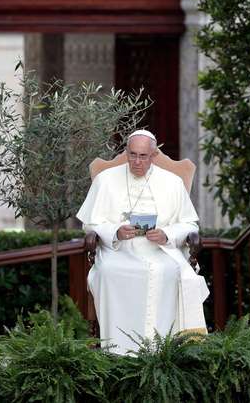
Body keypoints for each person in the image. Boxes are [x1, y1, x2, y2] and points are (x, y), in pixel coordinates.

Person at [76, 130, 208, 355]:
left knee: (168, 272)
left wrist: (167, 234)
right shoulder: (105, 180)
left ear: (153, 155)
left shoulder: (172, 182)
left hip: (161, 252)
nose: (136, 162)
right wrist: (115, 231)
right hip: (118, 252)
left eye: (143, 156)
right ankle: (115, 351)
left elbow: (190, 225)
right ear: (126, 152)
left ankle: (162, 351)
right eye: (132, 154)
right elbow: (90, 225)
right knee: (107, 271)